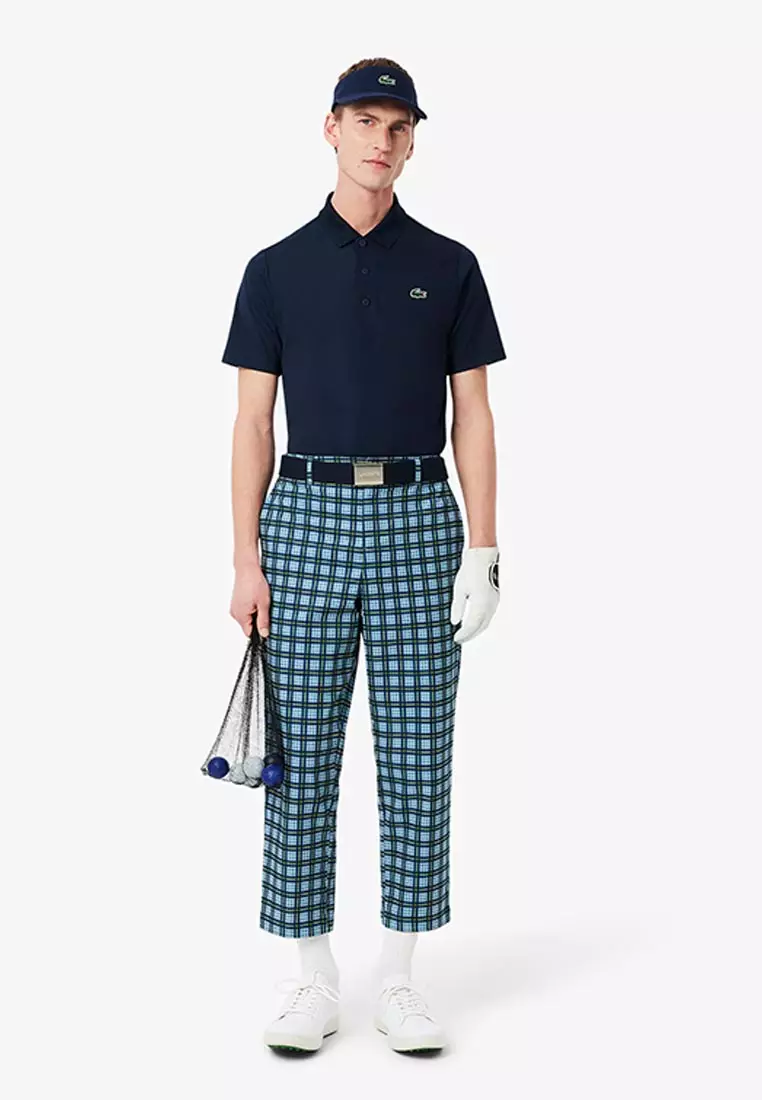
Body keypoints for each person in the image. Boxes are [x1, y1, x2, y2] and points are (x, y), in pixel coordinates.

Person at [221, 57, 505, 1055]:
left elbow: (474, 413)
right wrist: (246, 558)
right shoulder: (275, 268)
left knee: (420, 748)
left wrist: (484, 547)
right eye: (366, 120)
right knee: (298, 754)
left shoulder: (451, 264)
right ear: (331, 128)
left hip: (421, 515)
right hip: (304, 515)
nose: (382, 140)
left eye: (399, 125)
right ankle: (312, 978)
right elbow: (252, 422)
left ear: (413, 141)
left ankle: (400, 979)